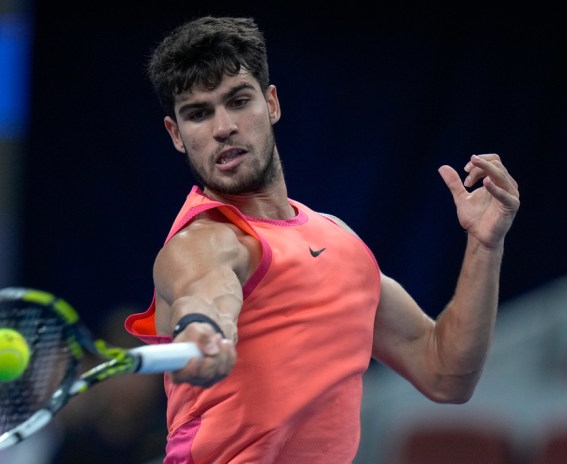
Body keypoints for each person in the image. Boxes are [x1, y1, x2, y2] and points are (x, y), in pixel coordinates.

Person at [125, 15, 520, 464]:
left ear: (271, 104)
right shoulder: (201, 241)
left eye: (238, 101)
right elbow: (207, 292)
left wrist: (485, 246)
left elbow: (446, 373)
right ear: (176, 135)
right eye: (198, 113)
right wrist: (204, 330)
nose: (222, 127)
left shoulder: (339, 241)